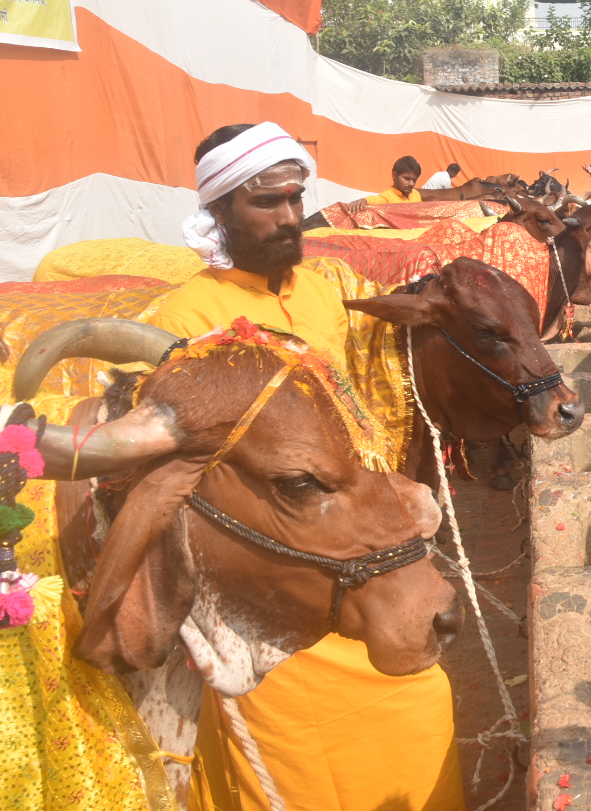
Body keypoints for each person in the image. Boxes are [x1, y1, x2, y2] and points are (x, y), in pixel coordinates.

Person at [161, 122, 462, 811]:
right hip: (278, 578)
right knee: (300, 763)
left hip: (367, 545)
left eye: (296, 197)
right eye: (266, 202)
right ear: (218, 210)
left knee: (424, 699)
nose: (290, 216)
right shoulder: (187, 316)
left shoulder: (322, 289)